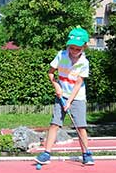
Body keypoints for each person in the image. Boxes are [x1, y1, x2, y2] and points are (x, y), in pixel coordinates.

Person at [35, 27, 94, 165]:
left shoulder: (84, 63)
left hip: (77, 96)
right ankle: (46, 153)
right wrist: (56, 84)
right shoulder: (61, 55)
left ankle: (86, 154)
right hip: (61, 94)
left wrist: (69, 101)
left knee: (81, 126)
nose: (74, 51)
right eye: (72, 48)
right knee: (55, 124)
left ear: (84, 47)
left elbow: (79, 83)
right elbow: (51, 73)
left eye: (77, 49)